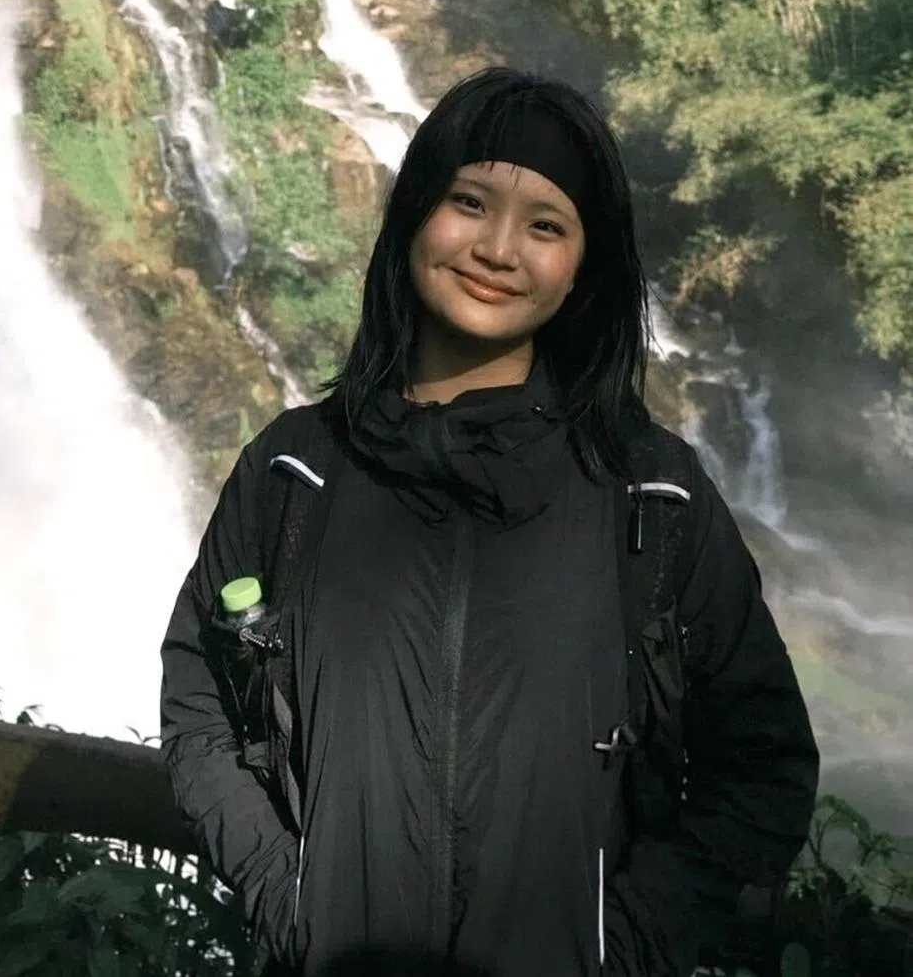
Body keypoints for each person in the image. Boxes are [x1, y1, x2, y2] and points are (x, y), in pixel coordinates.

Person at [160, 68, 819, 977]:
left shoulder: (649, 495)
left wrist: (615, 949)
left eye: (546, 225)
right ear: (417, 212)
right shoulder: (297, 471)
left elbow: (764, 764)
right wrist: (287, 895)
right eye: (470, 202)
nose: (498, 250)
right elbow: (198, 699)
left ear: (585, 265)